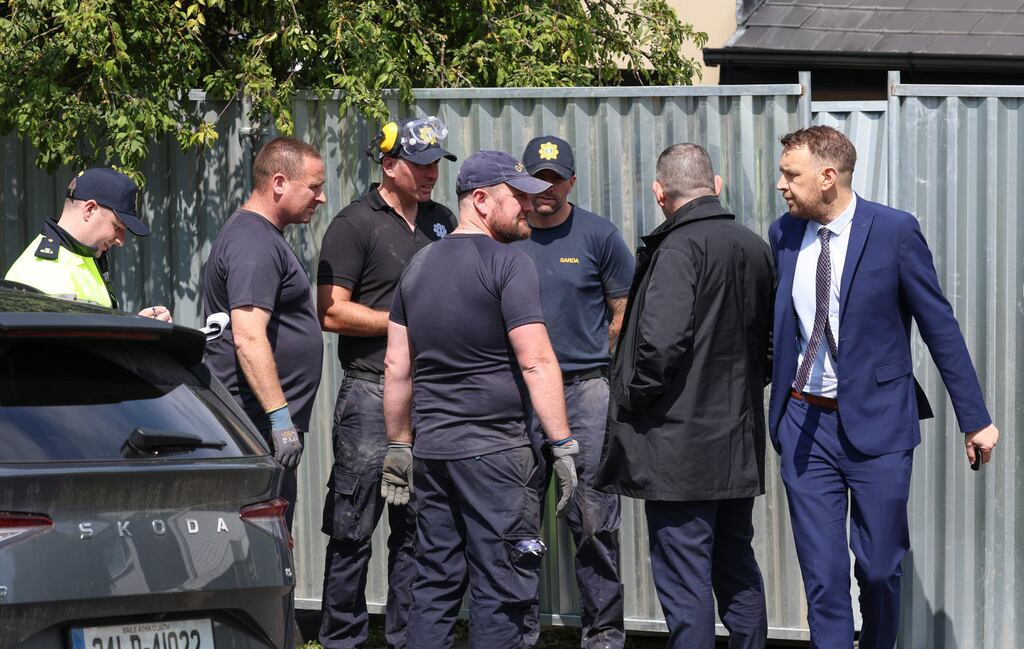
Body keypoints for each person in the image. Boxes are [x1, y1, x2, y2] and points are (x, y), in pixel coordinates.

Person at [768, 125, 1000, 649]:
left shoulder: (894, 231)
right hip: (805, 423)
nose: (782, 185)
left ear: (828, 177)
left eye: (791, 174)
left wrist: (976, 418)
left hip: (879, 426)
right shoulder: (783, 234)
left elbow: (940, 327)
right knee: (822, 577)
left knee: (877, 569)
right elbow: (779, 330)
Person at [381, 150, 579, 649]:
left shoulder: (418, 266)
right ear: (482, 200)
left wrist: (399, 445)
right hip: (495, 456)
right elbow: (536, 361)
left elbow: (396, 366)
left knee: (434, 584)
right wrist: (563, 444)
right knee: (504, 588)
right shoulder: (508, 263)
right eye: (519, 198)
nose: (530, 208)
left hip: (434, 455)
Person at [595, 144, 773, 649]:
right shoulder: (754, 245)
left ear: (660, 193)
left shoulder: (677, 249)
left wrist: (628, 397)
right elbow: (774, 345)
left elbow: (659, 346)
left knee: (684, 574)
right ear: (716, 186)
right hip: (737, 444)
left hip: (678, 451)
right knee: (736, 565)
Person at [316, 116, 457, 649]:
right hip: (371, 393)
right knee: (353, 527)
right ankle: (342, 640)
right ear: (389, 164)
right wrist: (405, 320)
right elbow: (330, 312)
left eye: (436, 165)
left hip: (432, 397)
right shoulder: (354, 224)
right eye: (419, 165)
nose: (430, 175)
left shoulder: (443, 222)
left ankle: (406, 639)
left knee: (418, 530)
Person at [513, 135, 632, 649]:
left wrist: (593, 355)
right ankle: (515, 632)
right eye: (536, 179)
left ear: (571, 182)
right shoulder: (505, 233)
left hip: (585, 392)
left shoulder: (599, 236)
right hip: (516, 394)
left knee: (592, 516)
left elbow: (622, 308)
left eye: (555, 179)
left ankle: (603, 634)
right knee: (515, 513)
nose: (545, 189)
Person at [202, 136, 326, 531]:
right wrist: (280, 420)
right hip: (254, 429)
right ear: (278, 183)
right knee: (257, 544)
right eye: (314, 187)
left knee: (272, 541)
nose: (320, 198)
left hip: (262, 429)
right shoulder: (253, 241)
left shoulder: (262, 237)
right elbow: (248, 335)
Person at [5, 167, 171, 321]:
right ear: (89, 209)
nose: (121, 240)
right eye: (116, 227)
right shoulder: (45, 271)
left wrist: (137, 327)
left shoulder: (82, 255)